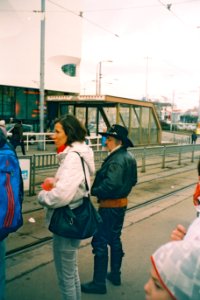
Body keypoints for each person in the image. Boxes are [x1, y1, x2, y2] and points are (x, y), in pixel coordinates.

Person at [38, 114, 95, 300]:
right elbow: (72, 185)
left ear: (68, 133)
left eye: (57, 131)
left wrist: (43, 196)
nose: (53, 135)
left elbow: (62, 195)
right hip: (75, 214)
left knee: (66, 278)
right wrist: (56, 182)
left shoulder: (72, 158)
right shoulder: (78, 154)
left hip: (67, 219)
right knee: (72, 272)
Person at [81, 124, 137, 294]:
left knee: (100, 241)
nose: (106, 142)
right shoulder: (128, 156)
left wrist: (93, 190)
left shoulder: (117, 158)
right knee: (114, 238)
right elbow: (133, 180)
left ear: (118, 141)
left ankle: (98, 283)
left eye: (109, 139)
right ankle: (115, 274)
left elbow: (111, 184)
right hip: (120, 204)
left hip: (109, 206)